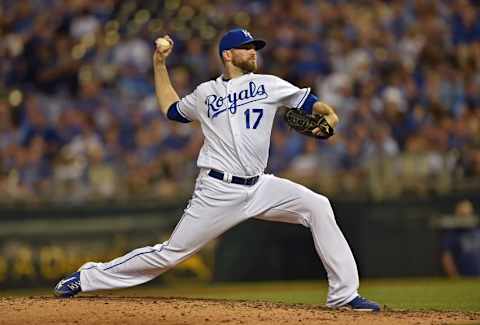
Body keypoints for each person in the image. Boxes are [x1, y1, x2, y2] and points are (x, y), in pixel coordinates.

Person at [54, 28, 380, 311]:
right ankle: (87, 277)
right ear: (228, 54)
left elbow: (313, 104)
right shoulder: (204, 93)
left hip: (260, 186)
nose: (253, 52)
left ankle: (344, 295)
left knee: (318, 205)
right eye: (247, 47)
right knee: (169, 254)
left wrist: (332, 117)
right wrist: (159, 63)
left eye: (255, 48)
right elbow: (170, 107)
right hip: (217, 190)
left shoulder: (269, 84)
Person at [440, 199, 480, 277]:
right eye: (462, 214)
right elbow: (446, 258)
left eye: (467, 214)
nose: (464, 217)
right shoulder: (452, 235)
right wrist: (455, 275)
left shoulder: (477, 232)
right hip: (464, 278)